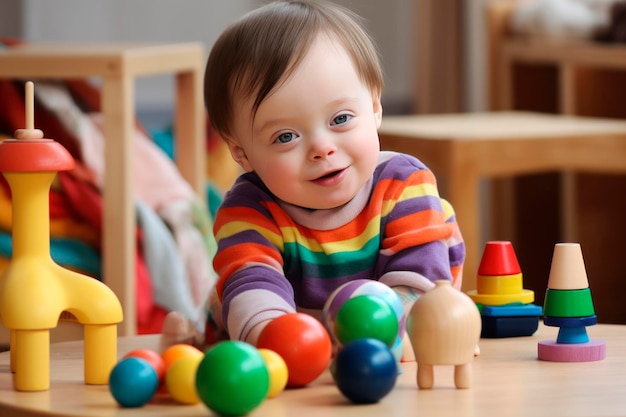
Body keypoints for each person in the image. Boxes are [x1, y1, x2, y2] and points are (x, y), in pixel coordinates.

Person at [162, 0, 465, 358]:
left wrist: (378, 327)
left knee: (430, 293)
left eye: (340, 119)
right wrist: (275, 341)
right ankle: (195, 334)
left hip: (391, 313)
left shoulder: (404, 184)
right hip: (295, 329)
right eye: (286, 136)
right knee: (229, 299)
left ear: (375, 107)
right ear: (241, 153)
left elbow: (418, 281)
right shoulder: (250, 207)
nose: (322, 148)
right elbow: (254, 284)